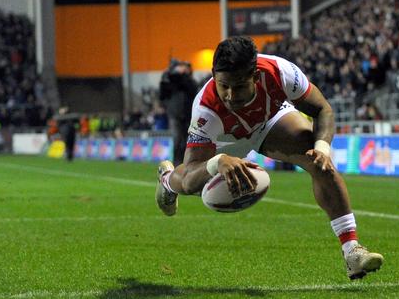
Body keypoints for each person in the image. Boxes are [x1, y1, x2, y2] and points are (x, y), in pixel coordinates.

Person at [155, 36, 383, 280]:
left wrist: (322, 148)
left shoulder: (280, 72)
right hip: (225, 138)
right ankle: (167, 181)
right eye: (224, 85)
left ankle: (352, 252)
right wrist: (217, 161)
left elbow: (322, 109)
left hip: (269, 121)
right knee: (191, 185)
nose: (231, 95)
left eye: (240, 86)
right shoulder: (206, 108)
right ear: (213, 75)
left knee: (320, 163)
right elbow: (191, 172)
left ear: (255, 75)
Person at [160, 59, 198, 165]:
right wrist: (168, 74)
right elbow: (163, 93)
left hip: (188, 116)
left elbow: (191, 88)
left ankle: (186, 162)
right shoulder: (172, 82)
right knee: (177, 139)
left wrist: (182, 76)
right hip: (175, 114)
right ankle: (177, 163)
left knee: (187, 141)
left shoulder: (190, 82)